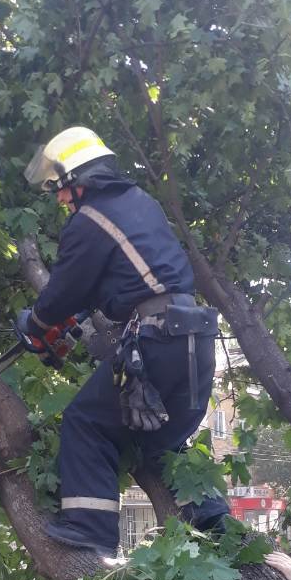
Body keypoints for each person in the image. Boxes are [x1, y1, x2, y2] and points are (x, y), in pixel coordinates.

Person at [18, 126, 230, 557]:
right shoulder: (139, 204)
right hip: (196, 338)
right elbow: (135, 277)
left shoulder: (89, 220)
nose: (60, 200)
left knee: (85, 421)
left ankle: (90, 526)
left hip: (156, 342)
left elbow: (63, 291)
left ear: (77, 180)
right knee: (160, 438)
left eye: (59, 189)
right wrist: (82, 313)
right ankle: (213, 517)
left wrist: (36, 325)